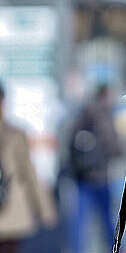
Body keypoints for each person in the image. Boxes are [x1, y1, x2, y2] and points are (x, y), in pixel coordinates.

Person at [0, 84, 57, 253]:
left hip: (11, 209)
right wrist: (45, 210)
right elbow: (28, 173)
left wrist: (45, 209)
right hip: (12, 210)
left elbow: (29, 173)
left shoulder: (15, 134)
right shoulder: (14, 134)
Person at [69, 85, 121, 252]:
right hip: (99, 176)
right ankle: (115, 248)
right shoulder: (103, 116)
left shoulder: (84, 113)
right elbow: (114, 147)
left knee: (81, 220)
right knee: (107, 218)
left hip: (82, 176)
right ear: (104, 96)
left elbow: (70, 142)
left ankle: (78, 249)